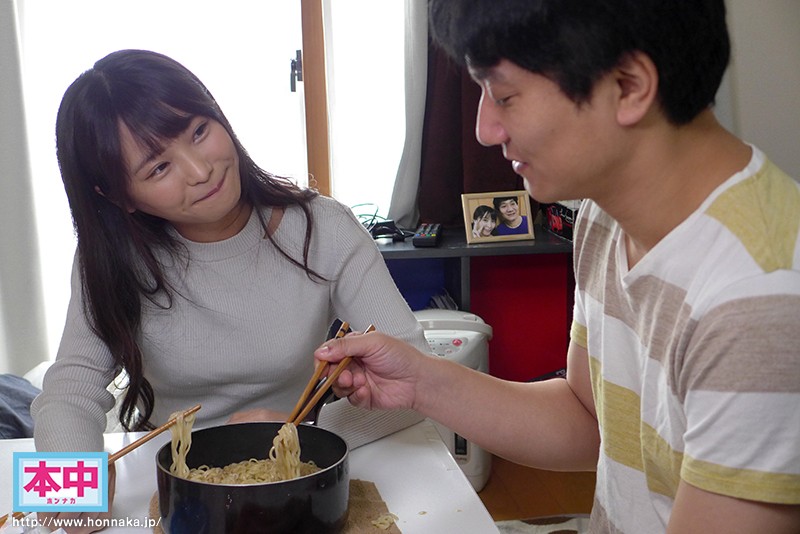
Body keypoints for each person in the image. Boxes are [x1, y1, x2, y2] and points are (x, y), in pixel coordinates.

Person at [315, 1, 800, 532]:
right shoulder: (605, 215)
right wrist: (420, 381)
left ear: (629, 86)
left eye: (504, 95)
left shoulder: (762, 299)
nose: (485, 129)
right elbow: (588, 419)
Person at [30, 49, 428, 532]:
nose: (201, 171)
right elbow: (69, 388)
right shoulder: (111, 261)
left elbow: (421, 376)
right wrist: (69, 492)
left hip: (295, 473)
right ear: (118, 196)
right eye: (159, 168)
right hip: (175, 484)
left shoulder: (322, 228)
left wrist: (303, 432)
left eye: (199, 131)